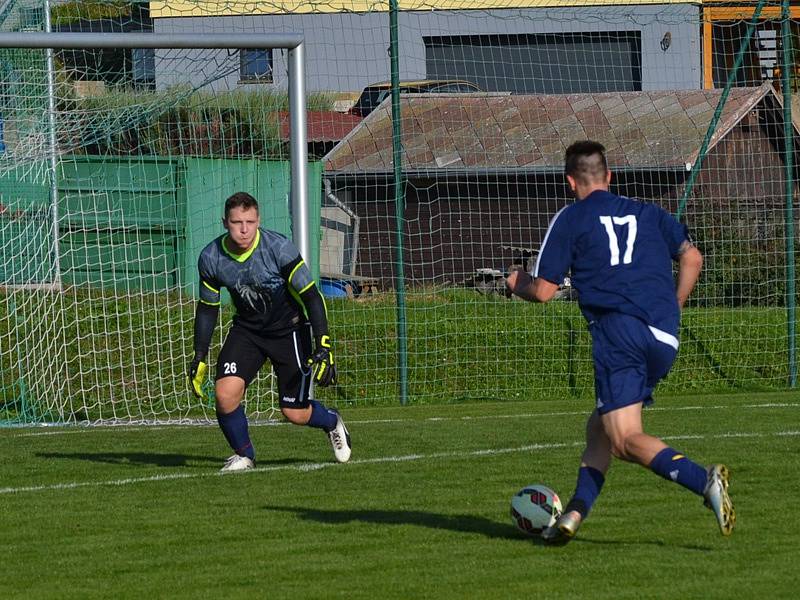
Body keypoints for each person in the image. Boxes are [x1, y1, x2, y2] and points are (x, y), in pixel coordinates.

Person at [506, 140, 734, 544]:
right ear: (609, 176)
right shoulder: (647, 212)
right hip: (665, 336)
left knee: (626, 439)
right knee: (600, 428)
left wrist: (514, 282)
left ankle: (705, 481)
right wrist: (673, 306)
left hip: (618, 333)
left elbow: (543, 291)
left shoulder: (572, 217)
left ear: (569, 181)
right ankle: (573, 514)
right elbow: (693, 258)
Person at [188, 191, 351, 471]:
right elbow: (207, 308)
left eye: (250, 222)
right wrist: (200, 354)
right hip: (248, 331)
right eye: (237, 222)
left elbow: (312, 296)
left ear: (258, 220)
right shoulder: (211, 257)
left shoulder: (279, 248)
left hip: (289, 331)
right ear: (224, 222)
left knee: (294, 412)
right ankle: (244, 455)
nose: (244, 229)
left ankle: (332, 421)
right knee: (225, 395)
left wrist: (323, 345)